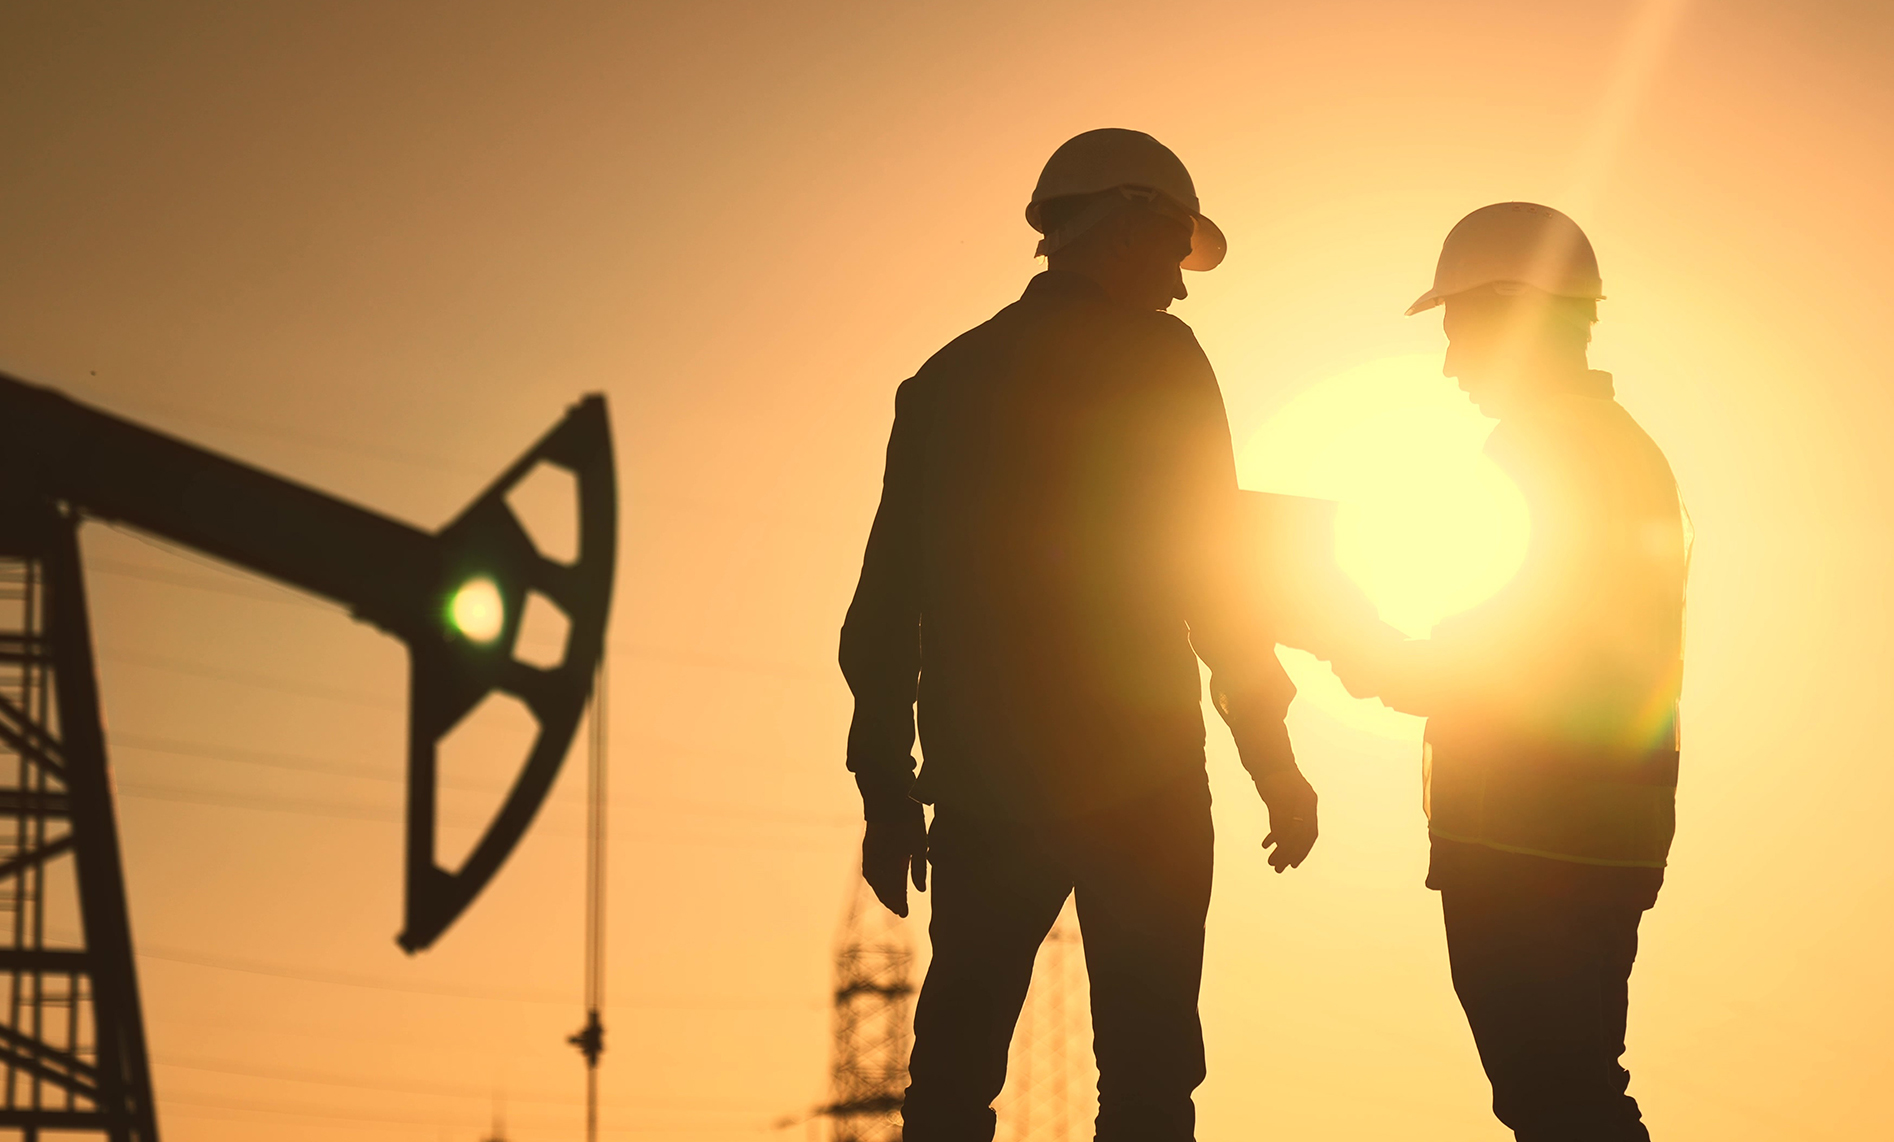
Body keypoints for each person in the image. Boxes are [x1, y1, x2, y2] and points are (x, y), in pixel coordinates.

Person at [839, 128, 1319, 1142]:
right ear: (1124, 226)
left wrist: (886, 790)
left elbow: (886, 608)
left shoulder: (941, 384)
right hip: (1139, 784)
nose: (1182, 290)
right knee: (1145, 1083)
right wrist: (1272, 760)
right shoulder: (1162, 362)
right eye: (1171, 252)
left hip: (981, 786)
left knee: (952, 1077)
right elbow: (1214, 575)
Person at [1328, 203, 1688, 1142]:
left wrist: (1363, 648)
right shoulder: (1619, 452)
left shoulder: (1545, 454)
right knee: (1569, 1090)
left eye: (1459, 328)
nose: (1451, 365)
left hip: (1533, 840)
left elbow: (1506, 663)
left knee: (1556, 1099)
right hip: (1595, 837)